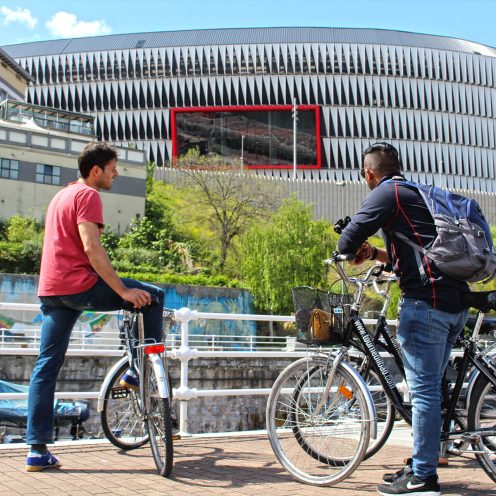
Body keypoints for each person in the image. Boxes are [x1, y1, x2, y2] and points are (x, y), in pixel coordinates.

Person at [337, 142, 468, 496]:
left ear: (369, 173)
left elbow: (350, 236)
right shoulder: (417, 194)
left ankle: (424, 478)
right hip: (454, 303)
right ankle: (421, 461)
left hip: (425, 305)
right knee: (432, 388)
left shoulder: (387, 192)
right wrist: (375, 253)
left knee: (423, 392)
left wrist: (344, 253)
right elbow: (412, 256)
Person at [25, 142, 165, 472]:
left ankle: (36, 449)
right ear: (96, 170)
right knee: (152, 296)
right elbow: (92, 248)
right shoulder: (88, 195)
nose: (116, 174)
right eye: (113, 168)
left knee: (46, 366)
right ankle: (137, 370)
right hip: (79, 285)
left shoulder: (60, 196)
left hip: (51, 290)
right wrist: (123, 291)